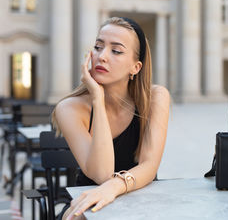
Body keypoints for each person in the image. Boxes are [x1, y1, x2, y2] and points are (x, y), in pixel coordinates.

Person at [51, 17, 170, 220]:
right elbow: (102, 174)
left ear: (136, 67)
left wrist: (113, 187)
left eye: (116, 51)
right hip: (90, 202)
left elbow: (149, 166)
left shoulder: (156, 98)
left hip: (140, 200)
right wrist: (98, 99)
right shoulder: (69, 108)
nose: (102, 56)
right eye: (98, 47)